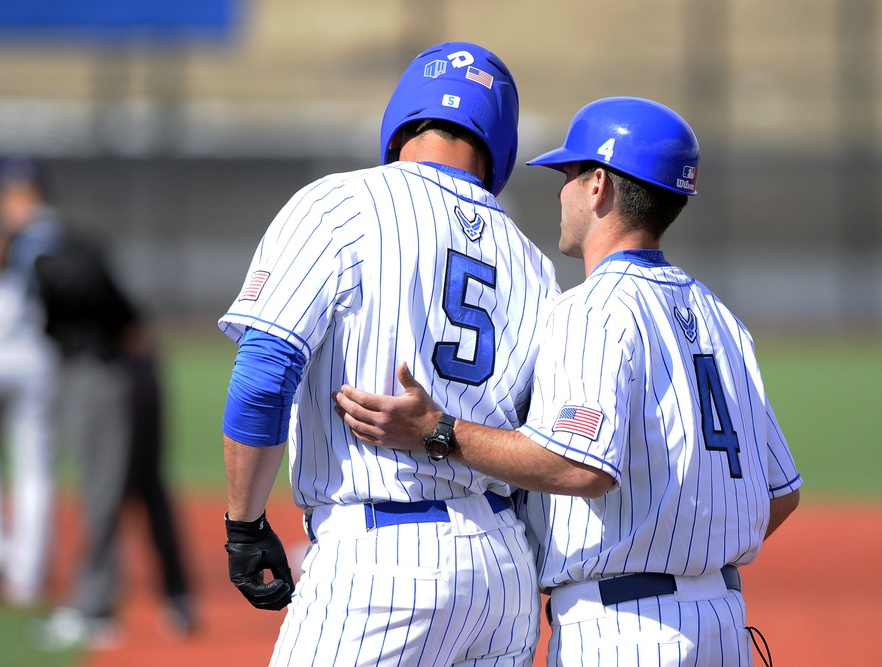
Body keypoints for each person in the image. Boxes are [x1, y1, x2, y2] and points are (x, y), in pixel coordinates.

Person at [335, 97, 803, 666]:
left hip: (626, 633)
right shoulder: (720, 317)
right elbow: (781, 492)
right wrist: (689, 545)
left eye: (568, 174)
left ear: (598, 184)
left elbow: (580, 467)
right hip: (722, 626)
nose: (561, 190)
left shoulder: (592, 310)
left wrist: (437, 430)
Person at [218, 41, 560, 666]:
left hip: (381, 566)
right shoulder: (534, 264)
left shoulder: (338, 204)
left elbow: (265, 375)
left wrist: (244, 524)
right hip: (503, 570)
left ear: (403, 118)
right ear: (499, 142)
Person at [26, 209, 196, 648]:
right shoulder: (58, 248)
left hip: (103, 372)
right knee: (142, 484)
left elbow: (101, 297)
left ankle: (95, 609)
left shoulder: (48, 252)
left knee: (108, 488)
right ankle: (177, 596)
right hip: (125, 370)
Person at [0, 156, 61, 607]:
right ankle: (25, 577)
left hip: (22, 351)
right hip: (38, 357)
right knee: (34, 470)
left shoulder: (29, 232)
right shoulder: (53, 229)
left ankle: (17, 569)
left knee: (33, 470)